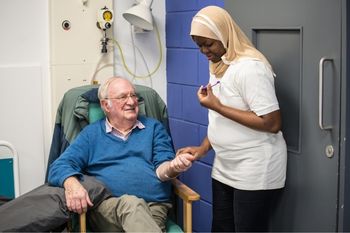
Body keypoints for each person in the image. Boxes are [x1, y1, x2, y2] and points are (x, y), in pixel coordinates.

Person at [176, 5, 287, 232]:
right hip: (225, 166)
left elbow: (272, 123)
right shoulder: (218, 63)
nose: (205, 51)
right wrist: (202, 149)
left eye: (209, 44)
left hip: (254, 168)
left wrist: (217, 105)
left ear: (224, 35)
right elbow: (220, 119)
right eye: (199, 46)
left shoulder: (250, 68)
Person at [47, 76, 196, 232]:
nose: (131, 102)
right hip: (108, 208)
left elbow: (162, 169)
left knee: (137, 217)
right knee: (131, 204)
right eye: (123, 97)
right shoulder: (91, 135)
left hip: (154, 206)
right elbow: (59, 165)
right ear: (106, 105)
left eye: (133, 96)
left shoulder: (153, 128)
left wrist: (173, 166)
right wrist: (72, 184)